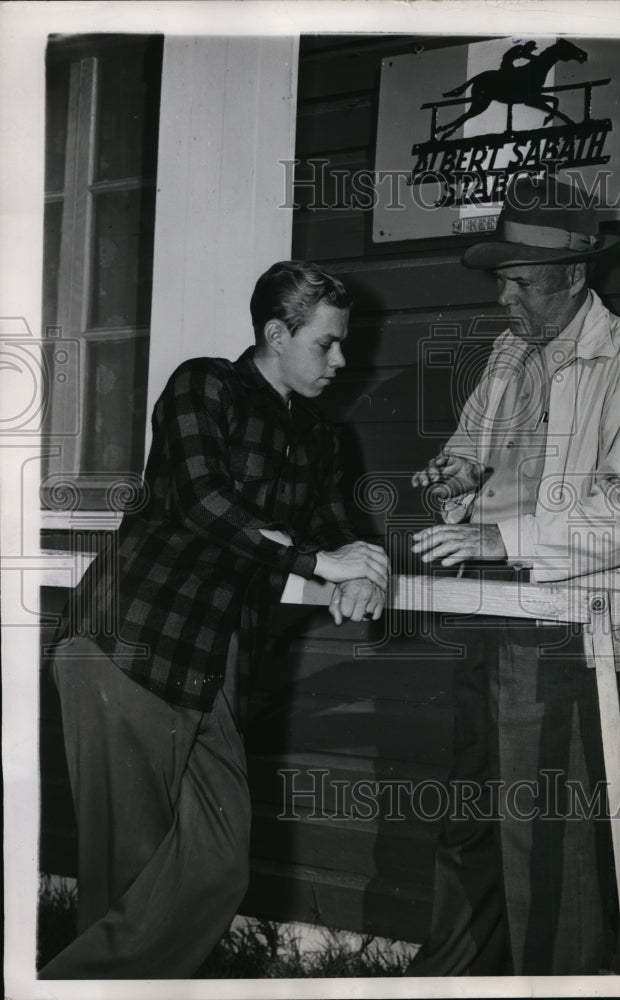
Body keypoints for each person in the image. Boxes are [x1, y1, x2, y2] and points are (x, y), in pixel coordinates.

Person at [39, 260, 390, 979]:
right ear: (275, 333)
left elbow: (335, 530)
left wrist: (367, 567)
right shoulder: (203, 387)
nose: (341, 359)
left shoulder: (320, 435)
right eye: (327, 344)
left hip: (214, 659)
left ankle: (72, 987)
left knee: (218, 864)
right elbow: (203, 504)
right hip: (127, 645)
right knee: (129, 880)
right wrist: (322, 565)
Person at [407, 174, 620, 975]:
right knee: (469, 813)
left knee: (541, 831)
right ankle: (457, 977)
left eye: (521, 283)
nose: (507, 300)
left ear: (574, 276)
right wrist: (453, 480)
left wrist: (503, 535)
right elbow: (469, 451)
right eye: (501, 282)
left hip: (561, 622)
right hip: (485, 608)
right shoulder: (510, 355)